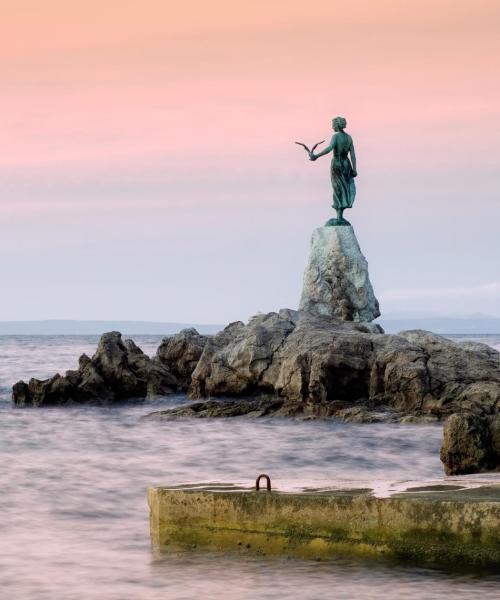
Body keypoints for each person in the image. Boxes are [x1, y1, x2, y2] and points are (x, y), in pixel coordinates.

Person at [310, 116, 357, 224]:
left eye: (333, 124)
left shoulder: (336, 137)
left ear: (337, 125)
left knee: (337, 188)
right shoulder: (349, 138)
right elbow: (353, 154)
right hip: (346, 164)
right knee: (344, 188)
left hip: (337, 164)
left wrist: (316, 155)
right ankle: (340, 215)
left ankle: (339, 216)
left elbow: (329, 148)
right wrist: (354, 168)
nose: (332, 127)